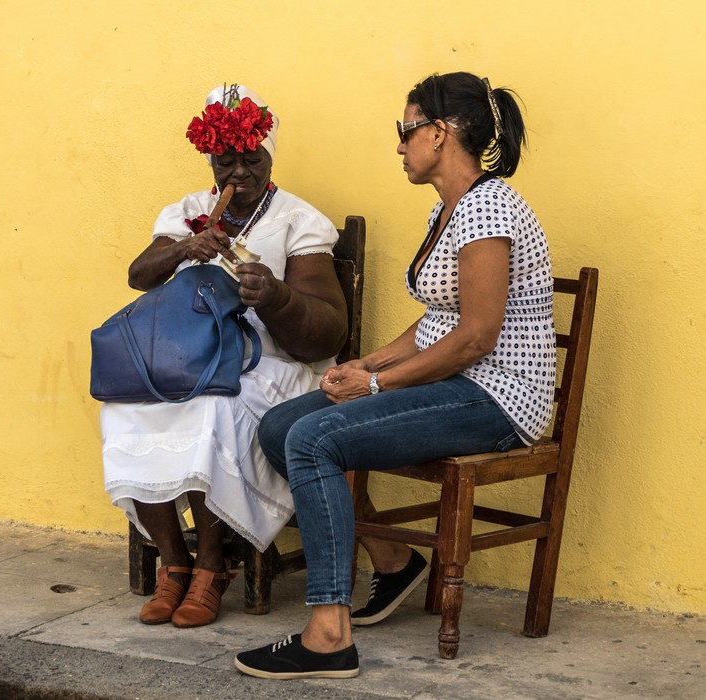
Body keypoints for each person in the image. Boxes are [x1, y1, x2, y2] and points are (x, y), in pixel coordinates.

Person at [234, 72, 556, 679]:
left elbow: (476, 336)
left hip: (497, 396)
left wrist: (379, 385)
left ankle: (328, 634)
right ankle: (393, 561)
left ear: (442, 133)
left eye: (406, 130)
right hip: (455, 384)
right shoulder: (449, 207)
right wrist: (369, 361)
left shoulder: (490, 207)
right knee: (281, 426)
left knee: (313, 438)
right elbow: (442, 317)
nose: (400, 144)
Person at [101, 85, 348, 629]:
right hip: (190, 364)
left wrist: (279, 297)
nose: (238, 172)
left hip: (272, 367)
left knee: (214, 410)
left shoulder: (297, 220)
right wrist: (185, 247)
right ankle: (175, 565)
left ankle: (212, 568)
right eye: (225, 160)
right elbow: (137, 277)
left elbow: (327, 332)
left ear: (268, 154)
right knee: (125, 409)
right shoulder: (189, 211)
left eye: (250, 159)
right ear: (210, 158)